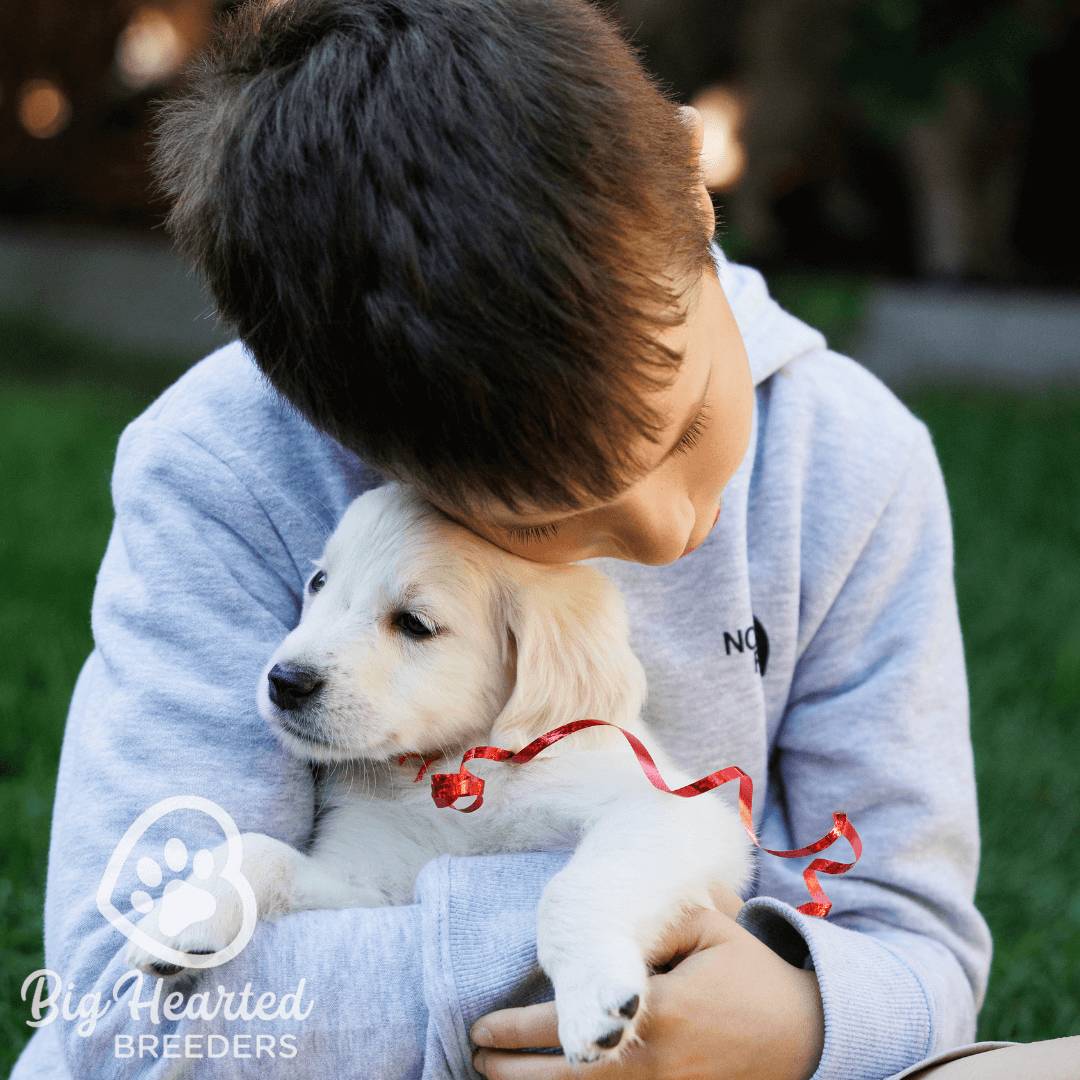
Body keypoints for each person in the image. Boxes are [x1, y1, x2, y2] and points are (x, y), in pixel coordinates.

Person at [12, 0, 1079, 1077]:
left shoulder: (854, 462)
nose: (665, 526)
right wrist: (562, 952)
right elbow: (119, 1016)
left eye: (691, 422)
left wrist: (802, 1025)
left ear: (697, 190)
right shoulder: (227, 469)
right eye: (546, 518)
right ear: (366, 449)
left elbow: (915, 950)